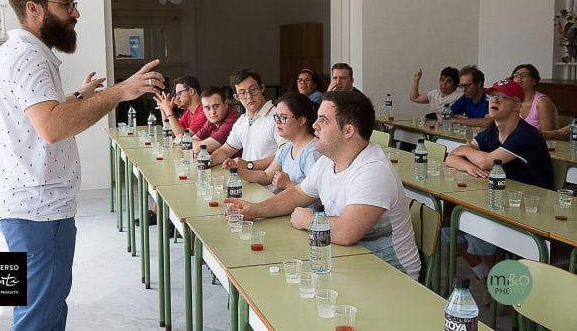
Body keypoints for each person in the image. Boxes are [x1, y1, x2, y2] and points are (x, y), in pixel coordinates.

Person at [0, 0, 165, 330]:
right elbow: (51, 126)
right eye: (66, 4)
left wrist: (80, 96)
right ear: (33, 8)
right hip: (38, 209)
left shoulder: (14, 52)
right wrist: (121, 91)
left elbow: (34, 114)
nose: (76, 13)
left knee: (40, 305)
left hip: (24, 204)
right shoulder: (29, 57)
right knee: (39, 314)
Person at [226, 91, 421, 279]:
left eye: (323, 120)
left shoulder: (373, 170)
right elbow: (297, 194)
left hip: (390, 273)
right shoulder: (329, 160)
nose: (314, 125)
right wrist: (255, 210)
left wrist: (307, 219)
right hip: (347, 259)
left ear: (348, 131)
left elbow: (346, 233)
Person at [444, 78, 554, 305]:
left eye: (502, 97)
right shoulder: (491, 132)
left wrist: (469, 153)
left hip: (534, 210)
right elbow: (450, 157)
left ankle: (504, 291)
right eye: (491, 96)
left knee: (475, 230)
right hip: (501, 201)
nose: (493, 100)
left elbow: (486, 162)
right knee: (448, 227)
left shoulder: (527, 135)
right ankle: (488, 278)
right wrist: (468, 164)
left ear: (517, 105)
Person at [224, 92, 320, 193]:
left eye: (283, 118)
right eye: (276, 117)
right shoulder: (286, 148)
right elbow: (266, 176)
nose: (277, 122)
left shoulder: (312, 152)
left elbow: (317, 195)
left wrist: (288, 185)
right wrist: (237, 170)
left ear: (301, 121)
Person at [210, 69, 285, 170]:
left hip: (269, 184)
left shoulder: (278, 117)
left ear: (262, 88)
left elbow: (285, 155)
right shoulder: (242, 120)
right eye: (242, 93)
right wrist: (209, 160)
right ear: (236, 97)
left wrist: (249, 165)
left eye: (253, 89)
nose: (248, 96)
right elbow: (226, 150)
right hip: (247, 180)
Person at [154, 74, 206, 139]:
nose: (177, 98)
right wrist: (163, 109)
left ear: (191, 91)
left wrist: (168, 111)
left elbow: (182, 137)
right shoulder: (188, 113)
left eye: (179, 94)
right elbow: (171, 133)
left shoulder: (204, 112)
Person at [511, 64, 559, 132]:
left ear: (534, 81)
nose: (519, 78)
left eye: (524, 75)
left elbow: (549, 135)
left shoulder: (542, 103)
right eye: (516, 75)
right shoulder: (511, 100)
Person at [191, 86, 241, 154]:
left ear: (226, 104)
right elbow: (192, 140)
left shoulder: (233, 119)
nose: (212, 112)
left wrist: (198, 146)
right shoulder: (211, 121)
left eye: (216, 106)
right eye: (207, 108)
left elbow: (198, 149)